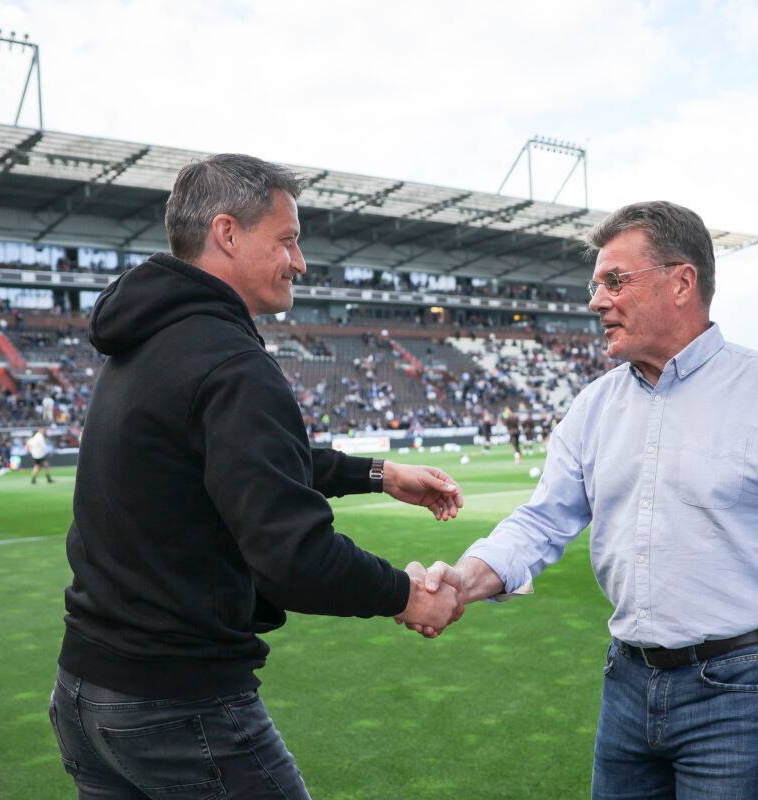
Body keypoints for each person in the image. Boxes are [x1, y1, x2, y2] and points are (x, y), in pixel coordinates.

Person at [408, 201, 758, 800]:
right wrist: (461, 581)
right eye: (596, 284)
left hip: (740, 684)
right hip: (627, 678)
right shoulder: (594, 406)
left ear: (682, 283)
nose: (596, 301)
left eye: (616, 281)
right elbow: (540, 523)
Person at [50, 154, 466, 799]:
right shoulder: (229, 362)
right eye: (288, 240)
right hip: (176, 703)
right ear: (227, 233)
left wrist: (378, 474)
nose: (300, 262)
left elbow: (242, 460)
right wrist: (407, 595)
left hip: (85, 690)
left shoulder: (145, 338)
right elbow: (295, 557)